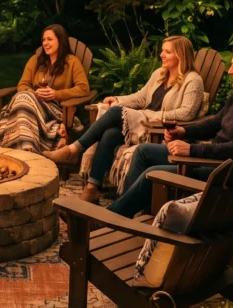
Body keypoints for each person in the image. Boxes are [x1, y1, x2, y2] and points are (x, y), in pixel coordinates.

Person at [108, 42, 233, 219]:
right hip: (213, 159)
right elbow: (215, 123)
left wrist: (192, 149)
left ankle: (112, 219)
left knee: (153, 173)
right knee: (143, 151)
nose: (229, 71)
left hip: (226, 172)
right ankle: (126, 212)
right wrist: (183, 132)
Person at [51, 36, 204, 204]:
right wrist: (118, 99)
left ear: (181, 55)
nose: (161, 55)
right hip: (142, 123)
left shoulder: (193, 80)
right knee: (110, 133)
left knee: (116, 113)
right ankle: (91, 188)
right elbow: (140, 97)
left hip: (158, 129)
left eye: (167, 52)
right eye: (162, 51)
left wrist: (152, 116)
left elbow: (187, 113)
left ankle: (73, 150)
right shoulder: (160, 74)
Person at [0, 25, 90, 154]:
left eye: (49, 39)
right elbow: (23, 85)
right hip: (31, 105)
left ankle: (23, 151)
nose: (45, 43)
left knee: (23, 100)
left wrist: (56, 94)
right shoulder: (35, 61)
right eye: (43, 40)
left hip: (56, 109)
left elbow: (83, 88)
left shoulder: (72, 62)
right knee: (24, 98)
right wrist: (34, 94)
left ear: (60, 40)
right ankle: (27, 149)